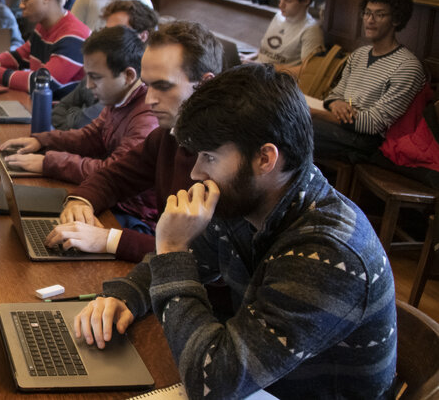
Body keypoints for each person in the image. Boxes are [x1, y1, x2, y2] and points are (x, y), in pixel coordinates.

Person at [75, 64, 396, 399]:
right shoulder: (247, 201)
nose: (197, 173)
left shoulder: (329, 255)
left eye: (210, 157)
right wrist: (123, 296)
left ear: (265, 159)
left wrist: (171, 248)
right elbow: (193, 261)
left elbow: (213, 383)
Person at [44, 21, 222, 262]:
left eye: (162, 86)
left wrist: (106, 239)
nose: (149, 100)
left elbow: (201, 262)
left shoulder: (226, 157)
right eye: (148, 86)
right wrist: (81, 201)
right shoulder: (169, 136)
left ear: (205, 84)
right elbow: (114, 176)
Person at [0, 25, 157, 182]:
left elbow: (114, 172)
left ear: (129, 75)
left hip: (122, 206)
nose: (88, 85)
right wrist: (43, 141)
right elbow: (90, 137)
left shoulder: (146, 119)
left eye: (96, 77)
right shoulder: (118, 97)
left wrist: (49, 163)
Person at [313, 0, 426, 162]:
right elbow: (334, 95)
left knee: (291, 126)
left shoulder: (407, 66)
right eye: (367, 12)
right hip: (342, 127)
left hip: (367, 142)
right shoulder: (359, 54)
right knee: (284, 125)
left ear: (396, 20)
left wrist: (314, 113)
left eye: (379, 14)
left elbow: (374, 124)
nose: (369, 20)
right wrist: (336, 105)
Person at [51, 0, 158, 130]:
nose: (106, 37)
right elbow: (58, 111)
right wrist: (78, 114)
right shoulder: (99, 66)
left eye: (117, 31)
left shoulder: (138, 82)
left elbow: (81, 124)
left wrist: (76, 111)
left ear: (142, 36)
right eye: (107, 30)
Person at [246, 0, 323, 74]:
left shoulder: (311, 30)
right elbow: (266, 52)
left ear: (306, 1)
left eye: (288, 0)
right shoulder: (278, 16)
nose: (281, 5)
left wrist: (269, 69)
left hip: (274, 80)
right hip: (257, 70)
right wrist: (249, 58)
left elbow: (308, 70)